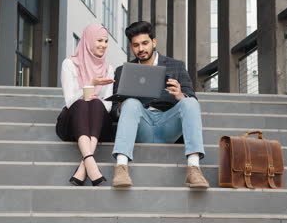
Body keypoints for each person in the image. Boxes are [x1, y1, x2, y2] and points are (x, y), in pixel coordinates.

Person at [111, 21, 209, 188]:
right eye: (136, 45)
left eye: (145, 43)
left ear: (154, 42)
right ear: (131, 47)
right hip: (142, 124)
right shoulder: (123, 71)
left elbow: (191, 98)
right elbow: (114, 112)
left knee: (190, 102)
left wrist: (180, 95)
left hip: (168, 125)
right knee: (131, 103)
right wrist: (123, 104)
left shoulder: (176, 66)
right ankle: (121, 167)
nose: (141, 49)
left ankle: (194, 168)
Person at [56, 24, 115, 186]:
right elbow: (70, 101)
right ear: (88, 41)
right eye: (99, 40)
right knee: (82, 103)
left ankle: (85, 164)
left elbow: (108, 105)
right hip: (71, 123)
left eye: (106, 41)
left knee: (96, 102)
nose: (103, 45)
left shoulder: (108, 69)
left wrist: (92, 94)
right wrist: (90, 84)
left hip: (98, 124)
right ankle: (90, 161)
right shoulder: (69, 64)